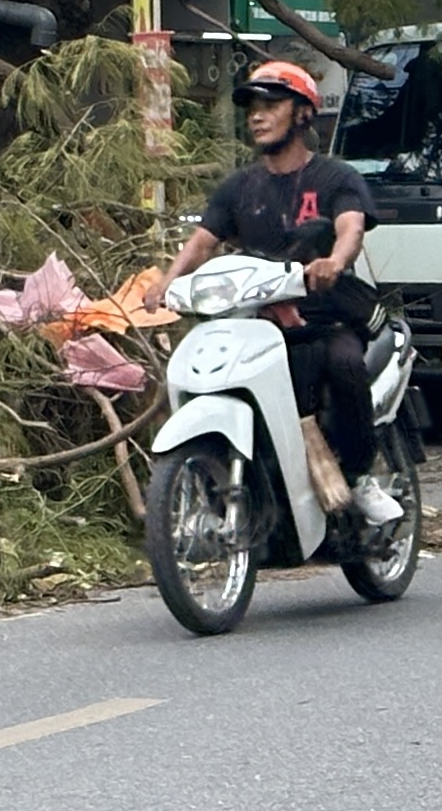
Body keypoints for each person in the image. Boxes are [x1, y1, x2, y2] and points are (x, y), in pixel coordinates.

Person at [167, 60, 399, 526]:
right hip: (259, 323)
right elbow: (203, 240)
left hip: (324, 317)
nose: (257, 115)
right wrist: (166, 281)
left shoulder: (334, 177)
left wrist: (335, 260)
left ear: (302, 114)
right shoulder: (240, 187)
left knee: (343, 363)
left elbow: (350, 226)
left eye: (271, 104)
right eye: (253, 106)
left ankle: (360, 476)